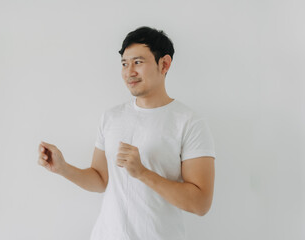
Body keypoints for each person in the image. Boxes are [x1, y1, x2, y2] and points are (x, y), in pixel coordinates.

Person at [37, 26, 216, 240]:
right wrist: (63, 169)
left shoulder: (189, 122)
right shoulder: (111, 117)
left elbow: (200, 204)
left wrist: (142, 172)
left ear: (164, 64)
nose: (129, 71)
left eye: (138, 62)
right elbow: (101, 179)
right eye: (124, 63)